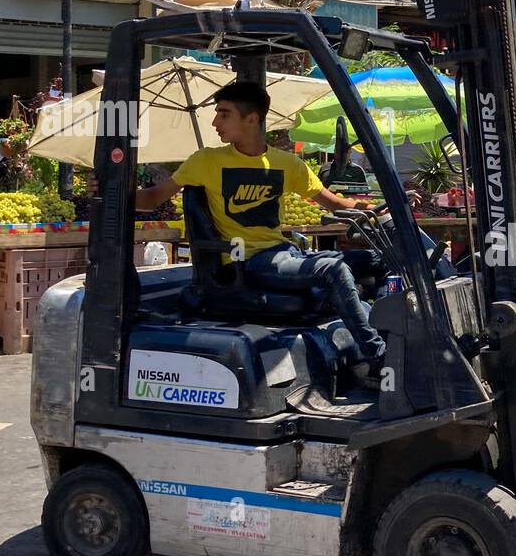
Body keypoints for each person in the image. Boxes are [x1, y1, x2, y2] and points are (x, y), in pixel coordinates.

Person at [134, 82, 386, 367]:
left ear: (251, 118)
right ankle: (380, 359)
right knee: (334, 268)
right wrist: (111, 190)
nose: (215, 122)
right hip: (247, 263)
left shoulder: (287, 163)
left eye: (224, 114)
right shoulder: (206, 161)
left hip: (285, 255)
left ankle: (390, 339)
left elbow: (336, 204)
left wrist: (385, 205)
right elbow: (152, 199)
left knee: (381, 259)